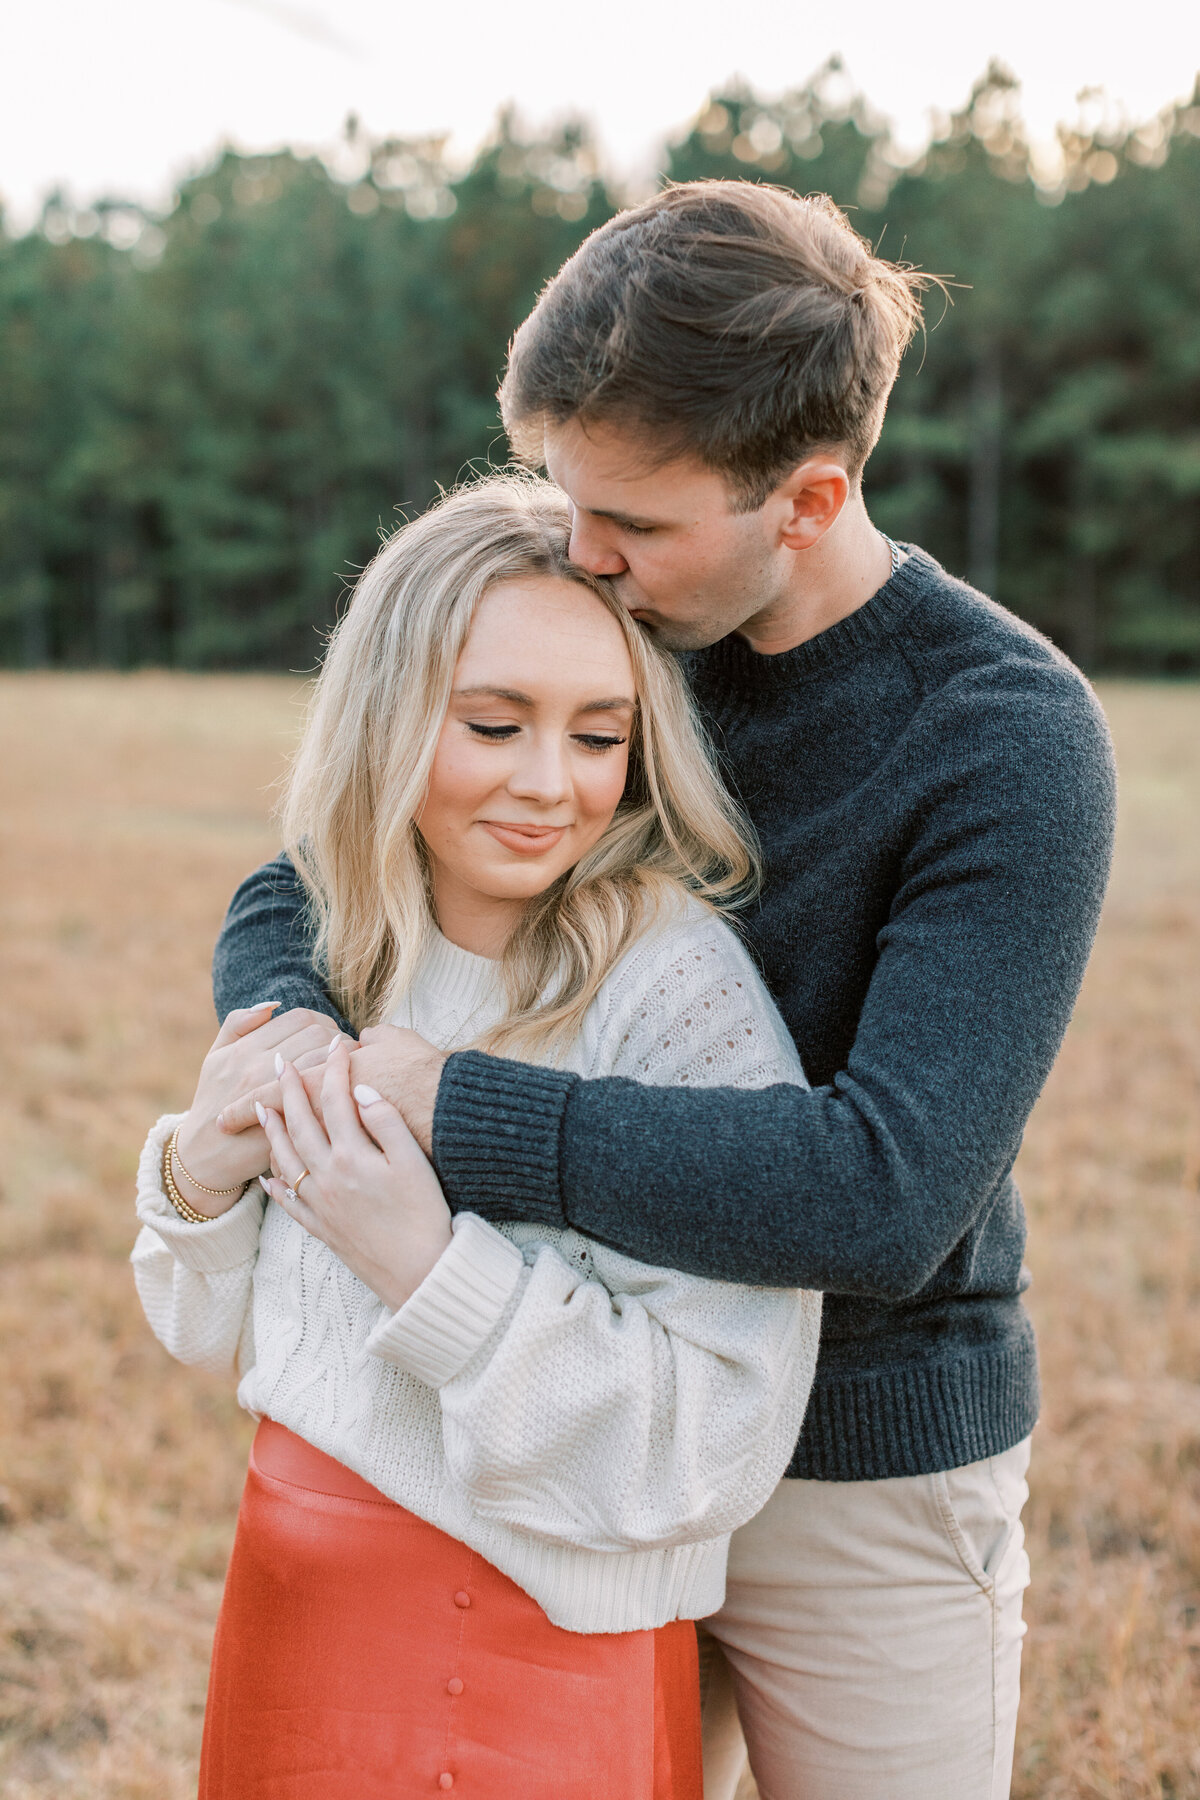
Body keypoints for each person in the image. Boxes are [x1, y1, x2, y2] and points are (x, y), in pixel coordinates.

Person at [214, 182, 1117, 1800]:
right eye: (567, 494)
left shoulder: (1005, 736)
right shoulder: (608, 626)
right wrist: (287, 1032)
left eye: (632, 519)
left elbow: (882, 1196)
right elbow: (316, 868)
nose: (584, 551)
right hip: (558, 1404)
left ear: (808, 496)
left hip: (861, 1472)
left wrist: (452, 1111)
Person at [131, 475, 823, 1800]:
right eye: (495, 724)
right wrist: (197, 1176)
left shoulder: (675, 993)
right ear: (388, 721)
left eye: (597, 735)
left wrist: (430, 1271)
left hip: (527, 1650)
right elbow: (221, 1335)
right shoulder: (343, 951)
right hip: (289, 1601)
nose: (548, 786)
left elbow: (717, 1431)